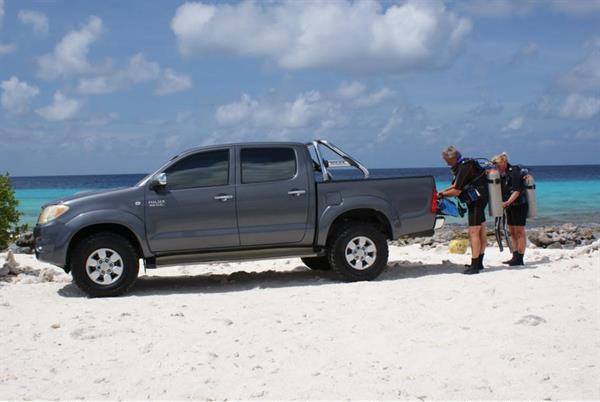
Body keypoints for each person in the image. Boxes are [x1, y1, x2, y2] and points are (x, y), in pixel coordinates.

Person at [438, 146, 489, 274]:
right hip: (481, 199)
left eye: (447, 160)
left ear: (453, 158)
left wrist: (442, 195)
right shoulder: (464, 165)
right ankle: (479, 262)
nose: (446, 163)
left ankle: (475, 265)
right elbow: (455, 185)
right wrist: (442, 192)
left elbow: (456, 190)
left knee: (473, 232)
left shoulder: (465, 166)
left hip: (476, 202)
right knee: (481, 230)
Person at [491, 152, 528, 266]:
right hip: (510, 206)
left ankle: (520, 258)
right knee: (512, 231)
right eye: (495, 165)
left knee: (519, 231)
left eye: (497, 164)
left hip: (519, 205)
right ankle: (515, 255)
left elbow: (516, 191)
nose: (496, 166)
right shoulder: (503, 174)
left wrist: (507, 202)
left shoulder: (514, 172)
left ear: (504, 162)